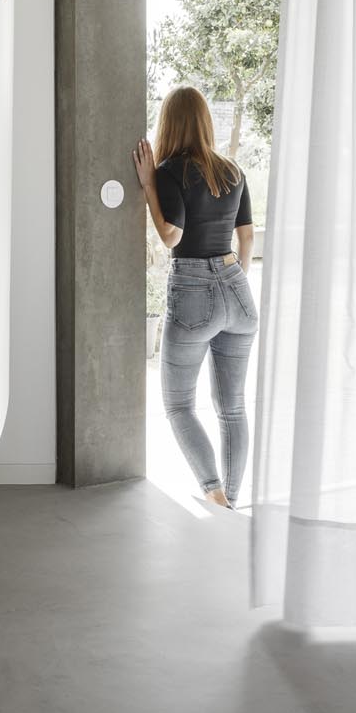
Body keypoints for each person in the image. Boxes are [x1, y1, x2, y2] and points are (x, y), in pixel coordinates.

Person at [133, 86, 258, 509]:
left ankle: (214, 493)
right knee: (232, 408)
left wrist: (149, 185)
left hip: (192, 290)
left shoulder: (170, 172)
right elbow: (247, 236)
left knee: (179, 405)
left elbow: (171, 236)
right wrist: (233, 273)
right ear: (205, 121)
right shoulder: (232, 170)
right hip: (237, 289)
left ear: (169, 122)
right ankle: (233, 500)